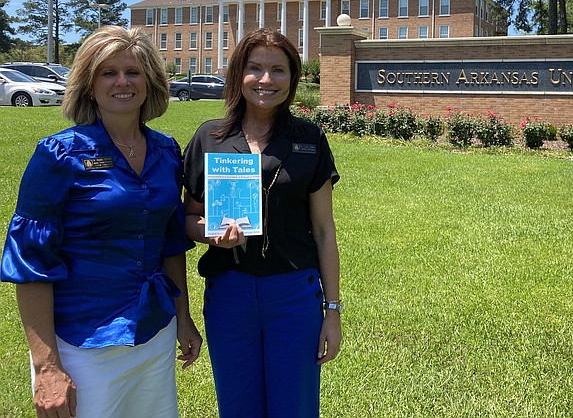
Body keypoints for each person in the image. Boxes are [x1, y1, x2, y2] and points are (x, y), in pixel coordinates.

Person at [1, 26, 202, 418]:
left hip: (153, 333)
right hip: (82, 343)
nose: (122, 81)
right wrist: (47, 367)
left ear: (150, 82)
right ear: (88, 86)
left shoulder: (165, 150)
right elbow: (30, 263)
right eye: (108, 73)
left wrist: (183, 319)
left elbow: (170, 244)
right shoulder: (59, 154)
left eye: (133, 71)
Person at [183, 28, 341, 418]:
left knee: (295, 405)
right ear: (239, 74)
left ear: (293, 78)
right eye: (255, 68)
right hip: (229, 293)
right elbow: (188, 217)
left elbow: (324, 231)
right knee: (238, 405)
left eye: (278, 70)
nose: (266, 80)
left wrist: (333, 311)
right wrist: (209, 234)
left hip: (293, 294)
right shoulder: (210, 137)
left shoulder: (310, 139)